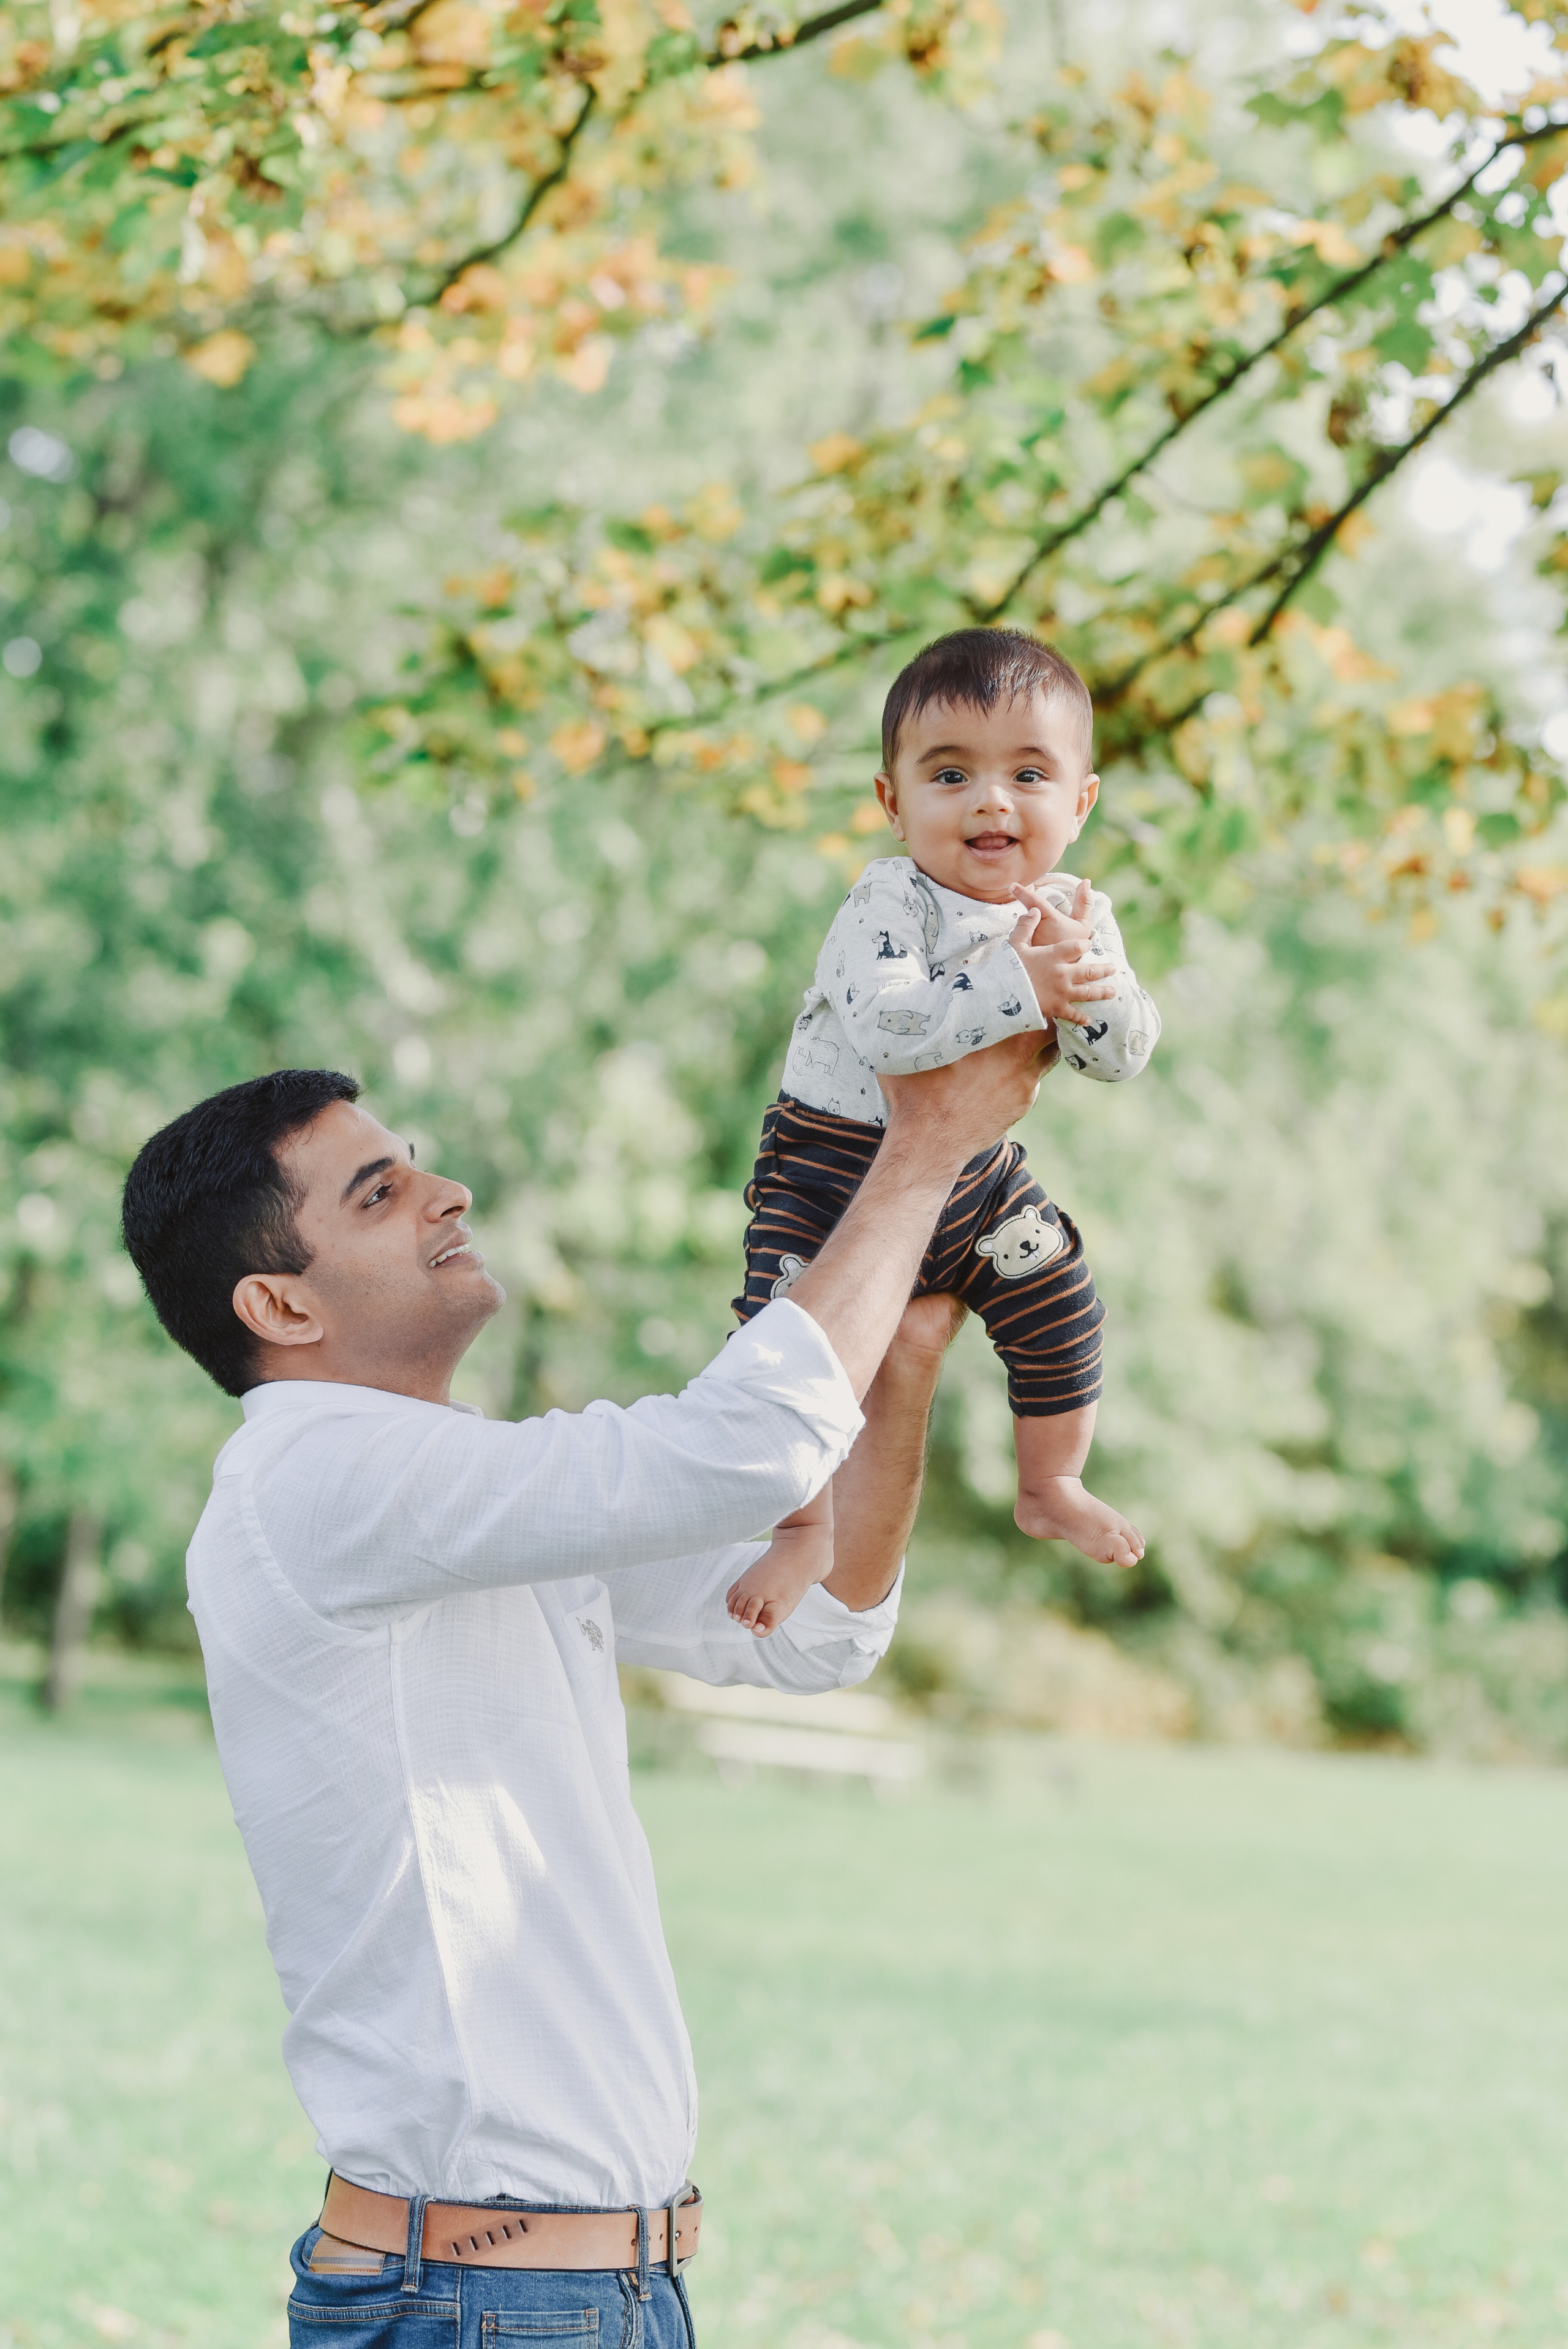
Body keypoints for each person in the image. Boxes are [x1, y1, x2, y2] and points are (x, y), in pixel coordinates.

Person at [119, 1041, 1048, 2347]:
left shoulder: (450, 1490)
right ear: (279, 1308)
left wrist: (898, 1364)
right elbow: (734, 1452)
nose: (446, 1193)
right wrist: (921, 1149)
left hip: (567, 2291)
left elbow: (809, 1633)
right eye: (378, 1195)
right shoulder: (314, 1479)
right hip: (489, 2297)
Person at [726, 627, 1158, 1640]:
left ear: (1080, 801)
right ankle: (799, 1525)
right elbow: (890, 1026)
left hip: (980, 1174)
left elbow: (1119, 1055)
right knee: (786, 1337)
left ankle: (1052, 1479)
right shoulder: (887, 901)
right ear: (893, 799)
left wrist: (1091, 993)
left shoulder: (1077, 913)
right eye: (951, 772)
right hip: (833, 1161)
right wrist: (1020, 983)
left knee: (1060, 1294)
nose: (991, 801)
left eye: (1030, 773)